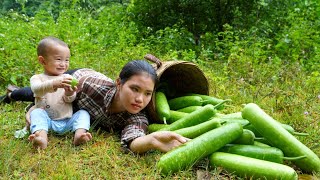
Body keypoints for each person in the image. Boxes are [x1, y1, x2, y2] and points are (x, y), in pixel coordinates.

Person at [1, 55, 188, 153]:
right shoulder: (91, 87)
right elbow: (59, 98)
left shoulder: (137, 116)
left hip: (81, 107)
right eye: (135, 89)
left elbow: (134, 141)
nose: (140, 99)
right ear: (119, 83)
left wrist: (153, 140)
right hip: (75, 82)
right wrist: (37, 107)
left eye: (147, 93)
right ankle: (11, 94)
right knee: (30, 93)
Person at [27, 37, 92, 149]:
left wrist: (69, 93)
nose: (63, 64)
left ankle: (79, 135)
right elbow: (36, 89)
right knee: (36, 113)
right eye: (58, 59)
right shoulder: (37, 78)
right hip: (47, 121)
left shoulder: (68, 78)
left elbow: (69, 100)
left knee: (83, 113)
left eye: (66, 60)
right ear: (43, 61)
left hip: (67, 121)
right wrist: (54, 83)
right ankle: (42, 138)